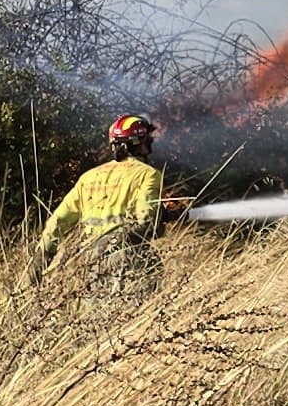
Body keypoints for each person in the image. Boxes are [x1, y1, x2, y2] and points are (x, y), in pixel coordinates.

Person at [35, 113, 188, 284]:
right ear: (139, 143)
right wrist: (164, 214)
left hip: (90, 262)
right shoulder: (148, 174)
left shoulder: (88, 177)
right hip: (127, 258)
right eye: (147, 142)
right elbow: (147, 222)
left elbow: (58, 222)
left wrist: (38, 264)